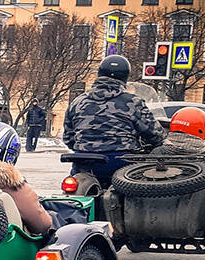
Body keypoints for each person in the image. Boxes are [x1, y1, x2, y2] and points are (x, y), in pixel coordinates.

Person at [63, 55, 165, 185]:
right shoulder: (133, 102)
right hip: (121, 163)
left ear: (99, 74)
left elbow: (68, 137)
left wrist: (87, 147)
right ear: (125, 77)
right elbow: (154, 134)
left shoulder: (77, 101)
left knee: (73, 190)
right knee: (142, 191)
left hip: (84, 161)